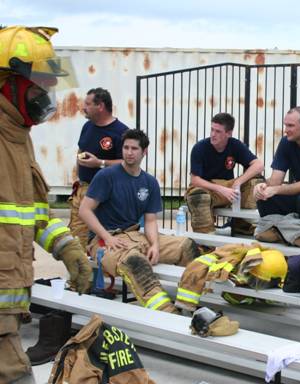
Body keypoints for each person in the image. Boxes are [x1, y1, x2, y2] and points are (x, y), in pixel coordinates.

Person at [0, 25, 92, 383]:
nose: (48, 94)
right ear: (9, 82)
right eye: (41, 83)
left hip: (8, 313)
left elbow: (33, 211)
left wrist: (68, 247)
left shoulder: (19, 136)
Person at [79, 129, 206, 314]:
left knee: (188, 246)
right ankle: (168, 314)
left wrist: (154, 244)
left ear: (144, 152)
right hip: (105, 241)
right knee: (136, 264)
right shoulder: (106, 176)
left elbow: (151, 220)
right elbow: (84, 210)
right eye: (126, 148)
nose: (129, 152)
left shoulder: (150, 182)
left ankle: (190, 304)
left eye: (134, 148)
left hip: (136, 235)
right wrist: (107, 238)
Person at [69, 88, 128, 250]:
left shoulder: (121, 132)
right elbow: (81, 151)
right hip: (84, 188)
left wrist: (100, 163)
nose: (83, 107)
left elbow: (127, 163)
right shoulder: (87, 126)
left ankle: (100, 272)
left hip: (106, 194)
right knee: (77, 234)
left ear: (100, 106)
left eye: (88, 104)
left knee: (102, 238)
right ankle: (81, 271)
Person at [185, 112, 264, 234]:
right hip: (208, 190)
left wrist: (238, 182)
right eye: (212, 129)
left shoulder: (235, 144)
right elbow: (195, 180)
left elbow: (259, 165)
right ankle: (206, 242)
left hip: (230, 190)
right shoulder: (199, 148)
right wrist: (221, 189)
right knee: (198, 196)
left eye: (218, 131)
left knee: (256, 181)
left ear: (228, 133)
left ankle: (241, 226)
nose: (213, 134)